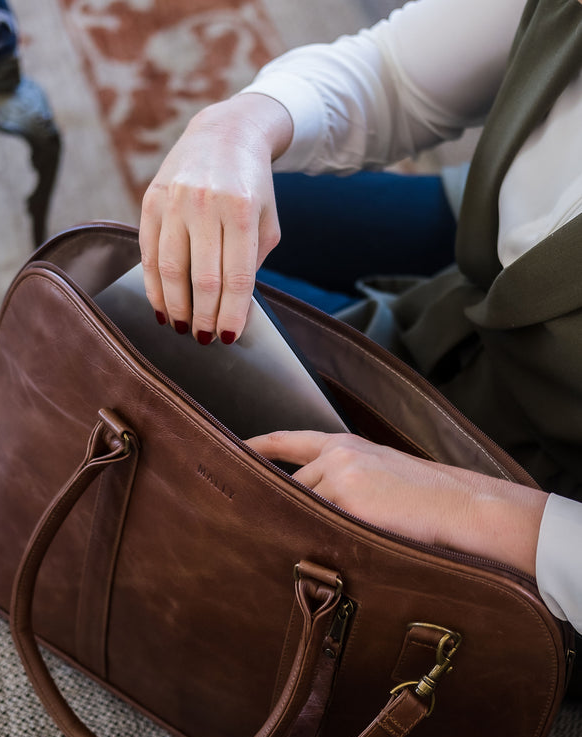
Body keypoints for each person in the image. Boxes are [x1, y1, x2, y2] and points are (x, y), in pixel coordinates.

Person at [138, 0, 582, 646]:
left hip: (535, 482)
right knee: (181, 239)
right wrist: (235, 126)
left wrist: (462, 506)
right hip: (488, 246)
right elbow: (396, 74)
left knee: (153, 335)